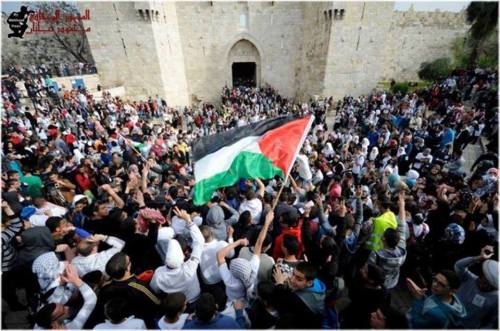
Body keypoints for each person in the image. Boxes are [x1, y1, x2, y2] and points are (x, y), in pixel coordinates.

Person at [150, 207, 204, 304]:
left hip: (173, 305)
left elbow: (155, 289)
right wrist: (188, 220)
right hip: (193, 301)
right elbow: (199, 242)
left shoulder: (159, 274)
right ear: (183, 255)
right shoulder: (189, 268)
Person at [35, 264, 97, 329]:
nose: (67, 307)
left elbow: (56, 300)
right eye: (64, 310)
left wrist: (62, 284)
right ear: (54, 324)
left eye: (64, 306)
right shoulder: (72, 327)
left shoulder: (41, 323)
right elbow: (91, 300)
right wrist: (76, 280)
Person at [454, 245, 498, 329]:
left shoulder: (496, 299)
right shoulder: (470, 279)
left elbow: (492, 322)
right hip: (447, 318)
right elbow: (458, 266)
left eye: (487, 285)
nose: (482, 284)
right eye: (482, 280)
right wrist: (479, 258)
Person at [273, 261, 326, 328]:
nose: (292, 279)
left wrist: (279, 284)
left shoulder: (299, 300)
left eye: (299, 279)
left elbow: (281, 304)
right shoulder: (316, 282)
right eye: (293, 274)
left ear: (309, 282)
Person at [182, 293, 246, 329]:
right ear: (216, 307)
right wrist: (239, 312)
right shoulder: (229, 322)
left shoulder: (187, 327)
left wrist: (187, 321)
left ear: (195, 311)